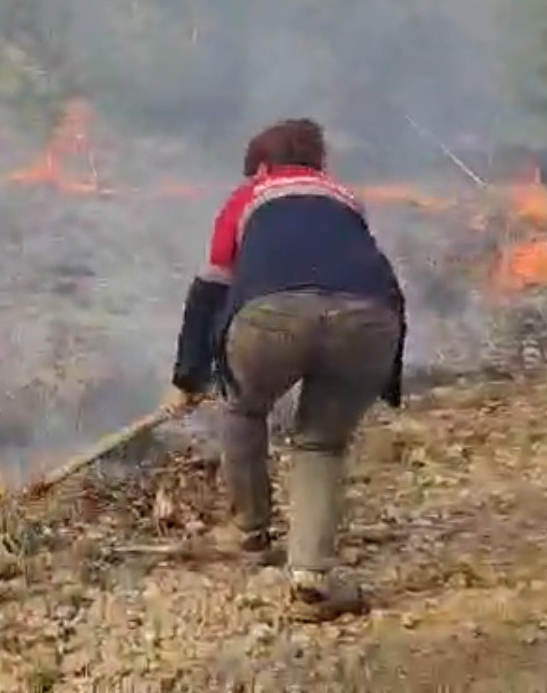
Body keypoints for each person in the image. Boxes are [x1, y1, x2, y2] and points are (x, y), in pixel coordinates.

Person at [167, 118, 406, 621]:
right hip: (370, 321)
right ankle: (312, 580)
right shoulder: (343, 197)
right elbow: (371, 273)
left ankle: (250, 534)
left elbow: (211, 287)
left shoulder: (251, 195)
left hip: (271, 318)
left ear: (261, 163)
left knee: (243, 411)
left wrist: (188, 376)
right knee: (321, 442)